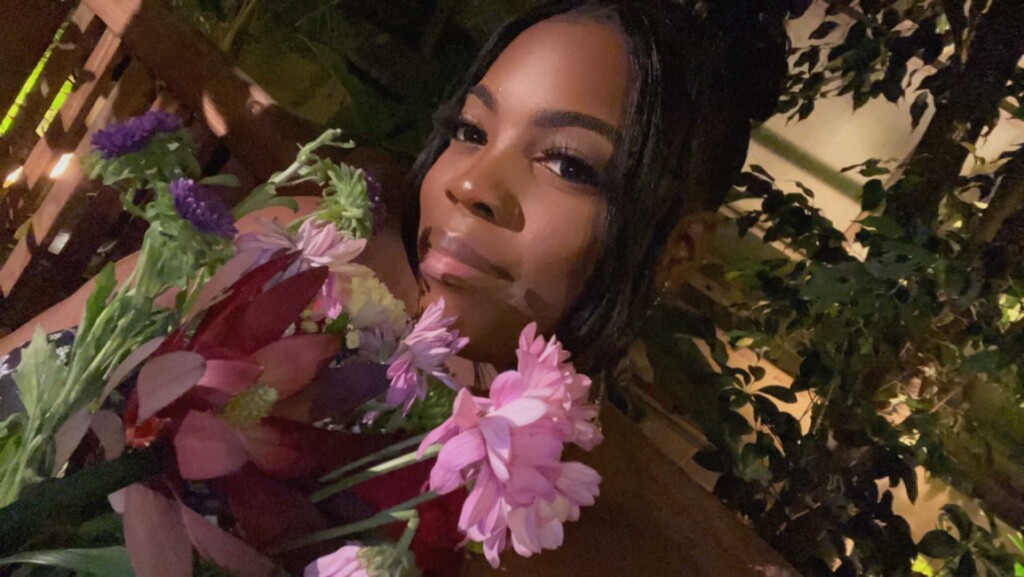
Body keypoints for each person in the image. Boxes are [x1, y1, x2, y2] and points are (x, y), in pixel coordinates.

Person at [0, 1, 796, 573]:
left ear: (678, 250)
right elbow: (22, 361)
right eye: (471, 132)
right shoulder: (302, 249)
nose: (473, 183)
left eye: (569, 164)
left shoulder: (525, 524)